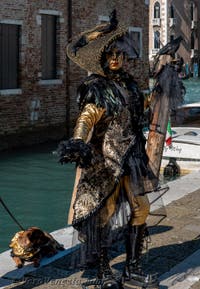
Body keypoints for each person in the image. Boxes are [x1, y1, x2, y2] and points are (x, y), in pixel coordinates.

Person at [57, 10, 183, 289]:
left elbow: (142, 108)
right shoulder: (97, 87)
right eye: (110, 54)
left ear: (125, 57)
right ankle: (104, 272)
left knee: (141, 208)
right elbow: (87, 116)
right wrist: (78, 141)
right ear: (104, 57)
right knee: (105, 213)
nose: (115, 58)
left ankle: (132, 269)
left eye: (120, 54)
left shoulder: (129, 86)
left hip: (132, 157)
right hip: (106, 160)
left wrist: (162, 84)